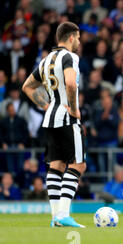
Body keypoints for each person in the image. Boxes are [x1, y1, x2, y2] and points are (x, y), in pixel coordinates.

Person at [21, 21, 86, 227]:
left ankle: (55, 218)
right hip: (67, 117)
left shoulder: (46, 60)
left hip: (50, 118)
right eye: (77, 37)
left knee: (56, 166)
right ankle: (63, 214)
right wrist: (74, 109)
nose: (79, 41)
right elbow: (70, 83)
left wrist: (47, 105)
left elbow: (27, 87)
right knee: (78, 164)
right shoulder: (70, 57)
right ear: (70, 37)